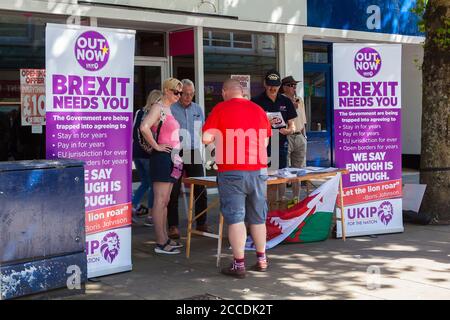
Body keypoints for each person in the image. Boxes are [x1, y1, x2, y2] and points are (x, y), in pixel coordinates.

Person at [202, 79, 272, 278]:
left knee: (235, 218)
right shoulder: (258, 109)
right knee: (258, 218)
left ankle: (239, 265)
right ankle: (262, 260)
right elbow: (265, 141)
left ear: (225, 92)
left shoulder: (221, 108)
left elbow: (206, 138)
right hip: (258, 170)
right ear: (242, 92)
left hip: (232, 170)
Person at [140, 78, 184, 254]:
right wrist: (156, 146)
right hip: (162, 157)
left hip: (171, 157)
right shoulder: (158, 107)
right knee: (160, 200)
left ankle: (164, 237)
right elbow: (144, 127)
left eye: (180, 93)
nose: (178, 95)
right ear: (166, 90)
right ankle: (160, 241)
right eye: (176, 92)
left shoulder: (168, 109)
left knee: (165, 200)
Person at [168, 79, 209, 239]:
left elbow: (202, 129)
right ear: (180, 93)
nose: (188, 97)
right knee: (174, 190)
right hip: (176, 152)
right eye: (186, 94)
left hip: (193, 151)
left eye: (191, 94)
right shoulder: (171, 108)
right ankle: (173, 226)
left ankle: (202, 222)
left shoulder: (198, 108)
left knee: (200, 187)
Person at [251, 70, 297, 201]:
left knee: (275, 181)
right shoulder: (255, 101)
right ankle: (260, 212)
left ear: (280, 86)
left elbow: (292, 125)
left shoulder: (286, 101)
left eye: (276, 85)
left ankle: (270, 212)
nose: (273, 88)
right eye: (270, 85)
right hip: (260, 145)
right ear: (265, 84)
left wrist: (289, 130)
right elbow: (249, 126)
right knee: (259, 181)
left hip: (279, 143)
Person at [131, 90, 162, 225]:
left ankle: (131, 206)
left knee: (145, 183)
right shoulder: (155, 113)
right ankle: (150, 215)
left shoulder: (139, 112)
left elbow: (132, 132)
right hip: (149, 154)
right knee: (153, 185)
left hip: (137, 153)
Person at [281, 76, 307, 200]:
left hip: (299, 135)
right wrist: (291, 107)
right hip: (286, 136)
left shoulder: (299, 100)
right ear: (284, 87)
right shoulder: (280, 100)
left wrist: (304, 135)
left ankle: (296, 199)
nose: (294, 88)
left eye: (295, 85)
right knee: (283, 170)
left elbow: (303, 120)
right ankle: (281, 198)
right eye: (291, 85)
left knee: (299, 170)